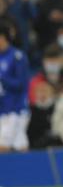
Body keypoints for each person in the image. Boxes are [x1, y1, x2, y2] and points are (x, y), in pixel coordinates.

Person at [0, 21, 30, 152]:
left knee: (3, 146)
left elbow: (21, 84)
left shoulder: (17, 57)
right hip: (3, 109)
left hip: (14, 109)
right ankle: (29, 171)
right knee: (20, 145)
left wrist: (2, 78)